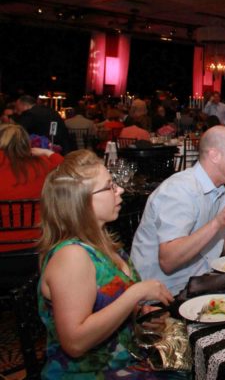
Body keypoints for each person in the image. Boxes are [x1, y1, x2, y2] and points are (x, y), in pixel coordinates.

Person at [37, 150, 174, 377]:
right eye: (109, 186)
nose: (120, 190)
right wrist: (137, 293)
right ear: (81, 201)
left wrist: (140, 316)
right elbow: (75, 342)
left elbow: (106, 306)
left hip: (127, 361)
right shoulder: (72, 256)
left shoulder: (105, 244)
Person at [130, 126, 225, 294]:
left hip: (199, 285)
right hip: (164, 295)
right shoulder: (180, 190)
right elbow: (168, 261)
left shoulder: (219, 190)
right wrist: (216, 224)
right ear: (214, 155)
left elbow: (222, 246)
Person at [0, 124, 64, 253]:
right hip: (38, 243)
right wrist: (48, 153)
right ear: (26, 143)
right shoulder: (43, 164)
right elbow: (67, 169)